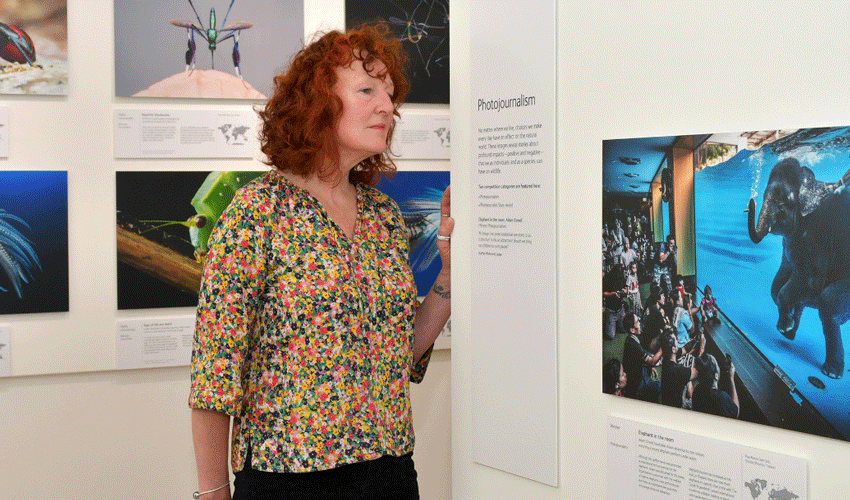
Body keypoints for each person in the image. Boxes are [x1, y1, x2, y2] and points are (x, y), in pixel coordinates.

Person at [188, 24, 453, 500]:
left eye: (390, 95)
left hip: (390, 474)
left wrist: (447, 282)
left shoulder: (383, 216)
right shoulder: (257, 213)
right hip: (287, 481)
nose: (387, 107)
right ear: (316, 104)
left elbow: (396, 355)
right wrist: (211, 492)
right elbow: (215, 372)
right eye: (367, 89)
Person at [621, 312, 662, 402]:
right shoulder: (633, 345)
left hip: (634, 372)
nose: (640, 322)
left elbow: (643, 358)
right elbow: (652, 361)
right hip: (635, 384)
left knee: (650, 355)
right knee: (659, 386)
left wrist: (651, 366)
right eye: (637, 321)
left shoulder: (631, 339)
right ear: (632, 329)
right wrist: (662, 347)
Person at [692, 354, 739, 418]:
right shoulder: (722, 398)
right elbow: (736, 412)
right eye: (717, 365)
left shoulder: (697, 390)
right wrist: (731, 379)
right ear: (716, 376)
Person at [603, 264, 627, 340]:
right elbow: (603, 293)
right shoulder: (607, 278)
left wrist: (624, 291)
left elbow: (626, 287)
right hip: (611, 311)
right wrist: (613, 294)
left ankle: (618, 324)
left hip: (620, 308)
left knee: (625, 329)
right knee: (611, 336)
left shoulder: (622, 277)